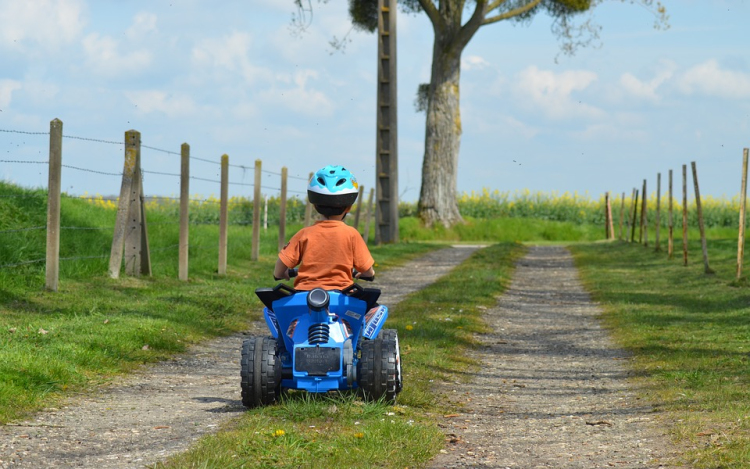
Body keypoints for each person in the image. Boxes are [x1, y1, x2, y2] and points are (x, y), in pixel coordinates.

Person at [274, 165, 375, 291]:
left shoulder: (304, 234)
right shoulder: (351, 234)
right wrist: (366, 274)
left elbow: (279, 269)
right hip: (341, 297)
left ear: (315, 205)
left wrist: (281, 274)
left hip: (305, 296)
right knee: (373, 308)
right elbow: (368, 271)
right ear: (349, 207)